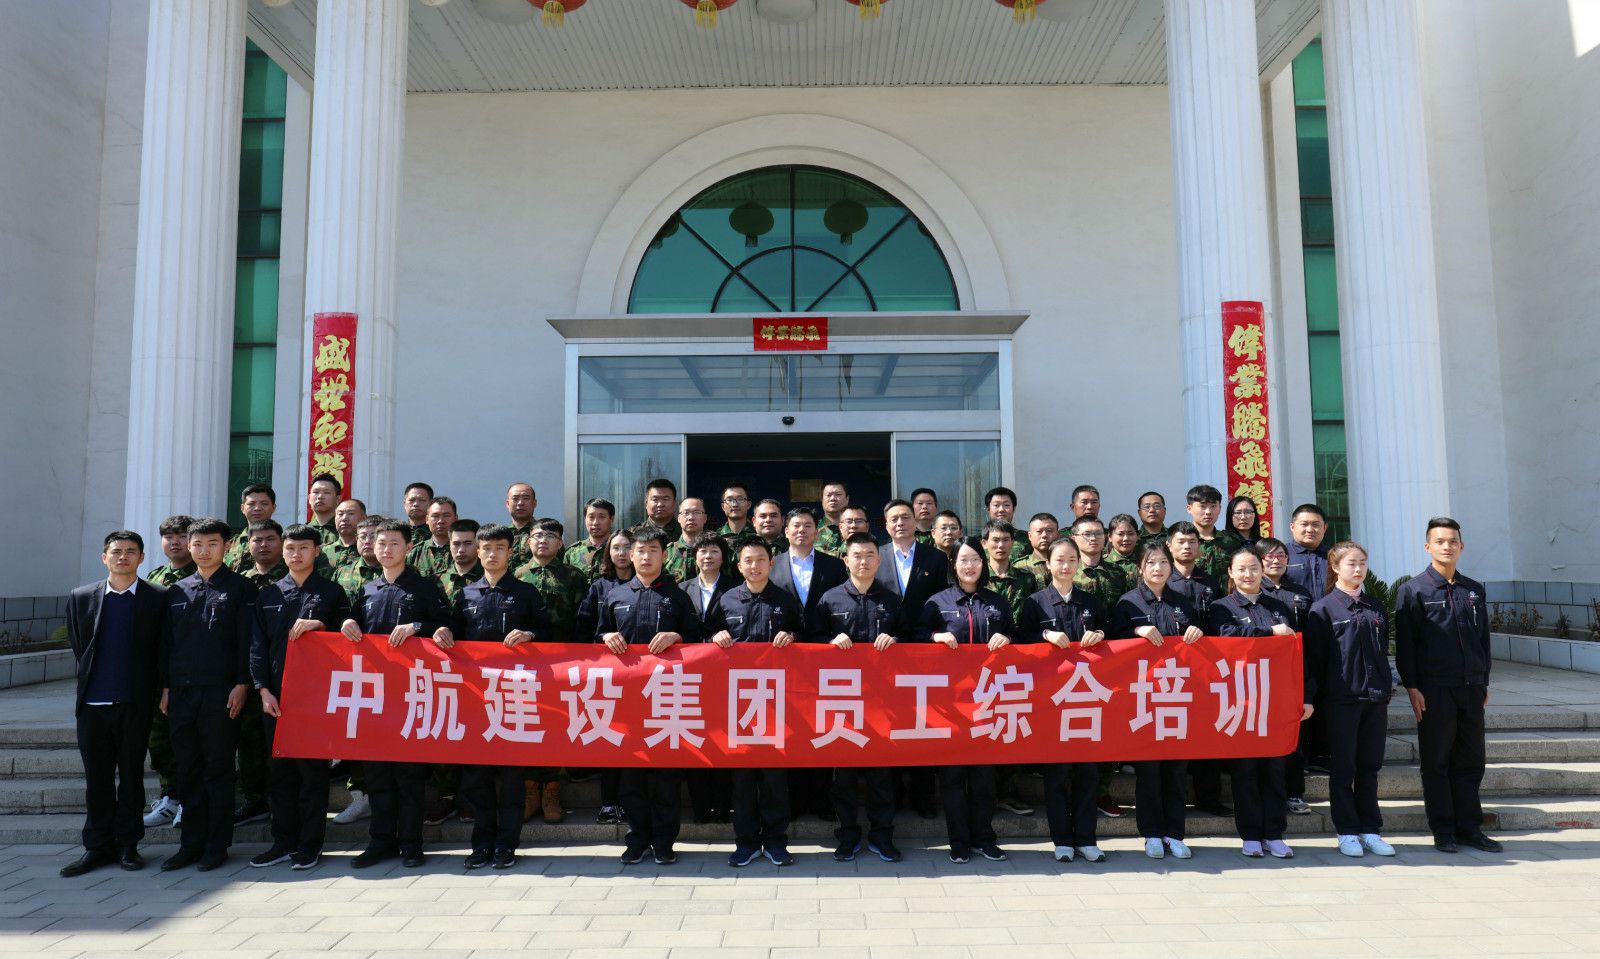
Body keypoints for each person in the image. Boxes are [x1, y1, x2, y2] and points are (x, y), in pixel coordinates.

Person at [435, 523, 553, 870]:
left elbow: (551, 634)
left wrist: (530, 634)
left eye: (499, 548)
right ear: (478, 551)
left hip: (515, 697)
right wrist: (441, 632)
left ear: (510, 552)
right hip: (476, 699)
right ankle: (482, 843)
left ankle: (506, 845)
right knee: (477, 778)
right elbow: (452, 634)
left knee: (512, 778)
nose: (491, 554)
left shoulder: (526, 593)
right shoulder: (465, 595)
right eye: (486, 548)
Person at [339, 519, 452, 869]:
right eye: (380, 543)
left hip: (412, 694)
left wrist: (418, 627)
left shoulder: (424, 588)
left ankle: (411, 844)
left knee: (409, 775)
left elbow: (448, 626)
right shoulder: (367, 589)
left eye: (393, 543)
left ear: (408, 548)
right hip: (374, 695)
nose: (385, 549)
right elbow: (351, 626)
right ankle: (381, 841)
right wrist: (346, 623)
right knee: (377, 775)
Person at [60, 531, 167, 878]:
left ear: (142, 557)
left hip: (134, 704)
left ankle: (128, 845)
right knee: (97, 780)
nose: (123, 557)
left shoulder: (157, 598)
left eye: (131, 551)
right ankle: (97, 847)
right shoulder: (81, 597)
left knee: (132, 777)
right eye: (116, 551)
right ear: (104, 557)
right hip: (92, 704)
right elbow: (81, 645)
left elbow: (162, 649)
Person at [1395, 517, 1501, 854]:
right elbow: (1407, 645)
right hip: (1434, 689)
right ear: (1428, 546)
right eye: (1440, 541)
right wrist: (1412, 687)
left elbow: (1483, 639)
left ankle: (1469, 828)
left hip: (1470, 687)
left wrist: (1483, 680)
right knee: (1437, 760)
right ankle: (1443, 830)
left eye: (1453, 541)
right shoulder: (1413, 590)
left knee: (1471, 760)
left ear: (1461, 546)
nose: (1447, 546)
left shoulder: (1474, 590)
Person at [247, 523, 349, 871]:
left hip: (317, 698)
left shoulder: (332, 593)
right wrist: (262, 689)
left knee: (312, 774)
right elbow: (257, 647)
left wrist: (322, 626)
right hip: (276, 698)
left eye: (304, 548)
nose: (296, 554)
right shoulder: (269, 594)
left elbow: (351, 640)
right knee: (279, 774)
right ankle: (283, 842)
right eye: (290, 548)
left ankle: (309, 845)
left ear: (317, 551)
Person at [598, 526, 702, 866]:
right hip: (626, 699)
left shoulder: (677, 596)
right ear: (630, 555)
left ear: (664, 555)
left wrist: (677, 636)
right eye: (640, 551)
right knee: (631, 777)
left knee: (667, 777)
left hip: (667, 697)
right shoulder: (615, 595)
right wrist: (606, 636)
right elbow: (593, 636)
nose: (646, 557)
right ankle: (638, 838)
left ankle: (664, 841)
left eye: (653, 550)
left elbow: (699, 640)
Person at [159, 517, 257, 872]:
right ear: (189, 546)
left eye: (212, 544)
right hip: (181, 693)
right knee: (188, 768)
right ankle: (190, 844)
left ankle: (217, 845)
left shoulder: (241, 588)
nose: (203, 551)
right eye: (197, 544)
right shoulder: (176, 590)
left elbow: (248, 641)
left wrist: (242, 684)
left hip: (222, 692)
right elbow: (166, 644)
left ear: (227, 546)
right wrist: (166, 688)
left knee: (218, 769)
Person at [707, 539, 806, 867]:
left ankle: (776, 842)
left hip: (779, 704)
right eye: (748, 560)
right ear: (739, 566)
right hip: (739, 705)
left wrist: (792, 637)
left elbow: (805, 636)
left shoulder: (785, 599)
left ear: (771, 564)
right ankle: (746, 842)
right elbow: (703, 639)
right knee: (744, 780)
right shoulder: (726, 600)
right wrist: (715, 637)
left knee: (775, 780)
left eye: (760, 559)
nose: (754, 566)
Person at [1208, 545, 1307, 859]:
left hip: (1274, 700)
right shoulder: (1221, 607)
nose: (1248, 574)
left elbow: (1295, 653)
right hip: (1240, 701)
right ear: (1231, 572)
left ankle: (1275, 833)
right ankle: (1250, 834)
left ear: (1262, 571)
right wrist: (1268, 632)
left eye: (1254, 568)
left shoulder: (1279, 606)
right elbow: (1227, 636)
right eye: (1241, 569)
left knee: (1275, 769)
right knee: (1245, 771)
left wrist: (1304, 696)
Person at [810, 532, 904, 863]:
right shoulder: (830, 599)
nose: (863, 562)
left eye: (869, 555)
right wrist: (829, 641)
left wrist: (895, 641)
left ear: (879, 560)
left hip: (881, 703)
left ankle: (882, 836)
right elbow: (811, 638)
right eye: (857, 556)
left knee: (881, 777)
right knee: (844, 778)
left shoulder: (892, 599)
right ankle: (847, 836)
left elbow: (911, 639)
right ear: (845, 561)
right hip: (841, 702)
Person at [918, 540, 1013, 864]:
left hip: (988, 700)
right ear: (953, 565)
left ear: (983, 564)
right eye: (963, 560)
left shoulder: (997, 601)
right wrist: (934, 637)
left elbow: (1019, 636)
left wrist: (1007, 638)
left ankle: (985, 839)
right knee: (953, 778)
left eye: (975, 559)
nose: (969, 566)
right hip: (950, 705)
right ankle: (958, 842)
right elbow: (915, 635)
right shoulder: (937, 602)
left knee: (984, 778)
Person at [1016, 536, 1108, 863]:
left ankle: (1086, 838)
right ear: (1048, 564)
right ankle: (1062, 840)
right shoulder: (1035, 603)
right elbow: (1021, 642)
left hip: (1086, 700)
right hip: (1051, 701)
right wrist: (1044, 635)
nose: (1066, 566)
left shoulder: (1091, 602)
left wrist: (1100, 635)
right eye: (1059, 560)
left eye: (1071, 560)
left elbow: (1112, 639)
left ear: (1078, 563)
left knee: (1088, 773)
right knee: (1056, 775)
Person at [1114, 541, 1204, 860]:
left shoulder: (1184, 602)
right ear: (1140, 567)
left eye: (1163, 562)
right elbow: (1112, 645)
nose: (1158, 568)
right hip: (1143, 698)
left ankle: (1175, 833)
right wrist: (1136, 632)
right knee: (1149, 771)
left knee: (1176, 770)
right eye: (1151, 562)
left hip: (1177, 696)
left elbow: (1203, 639)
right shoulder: (1128, 602)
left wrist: (1197, 632)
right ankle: (1151, 833)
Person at [1304, 540, 1395, 858]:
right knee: (1344, 768)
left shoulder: (1375, 607)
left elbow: (1381, 651)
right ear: (1335, 567)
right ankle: (1346, 831)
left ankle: (1370, 829)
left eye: (1362, 563)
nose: (1358, 569)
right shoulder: (1323, 609)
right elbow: (1314, 660)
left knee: (1369, 766)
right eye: (1351, 564)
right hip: (1341, 700)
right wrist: (1311, 697)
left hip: (1375, 697)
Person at [768, 507, 847, 822]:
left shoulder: (834, 566)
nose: (801, 530)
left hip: (823, 655)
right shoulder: (772, 565)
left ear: (817, 531)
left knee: (823, 727)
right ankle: (795, 800)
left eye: (808, 526)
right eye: (796, 525)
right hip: (783, 657)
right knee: (790, 728)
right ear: (786, 531)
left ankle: (821, 799)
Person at [678, 533, 736, 825]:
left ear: (723, 557)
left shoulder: (736, 588)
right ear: (695, 557)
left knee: (723, 740)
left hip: (724, 677)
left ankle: (723, 808)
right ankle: (700, 809)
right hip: (690, 677)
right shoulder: (681, 589)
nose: (708, 556)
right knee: (695, 740)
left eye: (714, 551)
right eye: (702, 551)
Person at [142, 515, 194, 831]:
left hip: (190, 670)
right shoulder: (155, 577)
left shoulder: (199, 575)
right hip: (159, 669)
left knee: (187, 741)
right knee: (159, 741)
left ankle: (188, 798)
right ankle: (170, 796)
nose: (175, 542)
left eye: (181, 536)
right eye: (168, 536)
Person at [1259, 536, 1315, 816]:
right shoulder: (1255, 592)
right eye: (1269, 556)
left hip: (1293, 672)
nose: (1276, 560)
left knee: (1294, 738)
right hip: (1259, 676)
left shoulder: (1300, 592)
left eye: (1281, 555)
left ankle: (1294, 793)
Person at [1185, 484, 1243, 586]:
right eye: (1202, 506)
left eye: (1213, 506)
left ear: (1219, 508)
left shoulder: (1232, 541)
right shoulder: (1181, 542)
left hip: (1226, 595)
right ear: (1189, 509)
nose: (1208, 512)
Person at [980, 520, 1036, 622]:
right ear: (984, 543)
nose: (1001, 545)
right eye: (995, 540)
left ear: (1012, 543)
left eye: (1006, 540)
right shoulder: (978, 578)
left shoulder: (1026, 579)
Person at [1068, 515, 1127, 610]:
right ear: (1074, 539)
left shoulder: (1117, 572)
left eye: (1098, 533)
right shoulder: (1068, 572)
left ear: (1105, 537)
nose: (1093, 538)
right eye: (1087, 534)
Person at [223, 484, 276, 570]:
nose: (257, 508)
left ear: (274, 507)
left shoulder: (285, 543)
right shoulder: (230, 545)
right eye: (251, 504)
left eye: (264, 504)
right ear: (242, 508)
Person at [1285, 504, 1332, 598]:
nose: (1310, 530)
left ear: (1325, 527)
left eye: (1315, 524)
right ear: (1292, 527)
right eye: (1304, 524)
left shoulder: (1334, 556)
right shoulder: (1282, 555)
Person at [563, 497, 615, 581]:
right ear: (585, 519)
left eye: (601, 517)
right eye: (591, 517)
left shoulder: (619, 549)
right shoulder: (572, 552)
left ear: (611, 519)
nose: (595, 522)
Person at [406, 496, 458, 578]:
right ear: (427, 519)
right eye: (435, 516)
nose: (441, 521)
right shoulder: (415, 553)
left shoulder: (464, 551)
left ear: (456, 519)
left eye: (446, 515)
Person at [663, 497, 712, 583]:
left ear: (705, 518)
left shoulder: (715, 551)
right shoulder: (667, 552)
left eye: (696, 512)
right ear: (679, 518)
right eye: (686, 513)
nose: (691, 517)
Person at [436, 518, 484, 605]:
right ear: (449, 544)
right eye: (456, 544)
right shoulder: (435, 581)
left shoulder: (489, 579)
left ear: (478, 545)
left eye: (467, 543)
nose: (461, 550)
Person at [984, 486, 1031, 564]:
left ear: (1014, 509)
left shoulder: (1027, 539)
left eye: (1006, 505)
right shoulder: (977, 542)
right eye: (996, 505)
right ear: (988, 509)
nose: (1001, 509)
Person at [1014, 512, 1059, 590]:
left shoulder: (1070, 563)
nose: (1044, 535)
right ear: (1030, 536)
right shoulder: (1019, 566)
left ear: (1058, 535)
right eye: (1039, 531)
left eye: (1049, 531)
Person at [321, 498, 367, 571]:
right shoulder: (323, 552)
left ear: (364, 518)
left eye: (351, 513)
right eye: (340, 514)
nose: (344, 518)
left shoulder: (369, 550)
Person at [504, 482, 538, 566]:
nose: (520, 503)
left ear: (534, 503)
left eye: (526, 498)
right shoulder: (501, 535)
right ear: (507, 504)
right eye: (515, 498)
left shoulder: (546, 534)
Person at [1103, 512, 1141, 584]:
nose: (1126, 538)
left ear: (1137, 536)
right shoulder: (1103, 564)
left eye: (1130, 534)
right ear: (1110, 537)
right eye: (1120, 534)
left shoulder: (1145, 562)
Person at [815, 481, 851, 555]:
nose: (833, 498)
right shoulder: (812, 529)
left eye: (838, 494)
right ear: (822, 499)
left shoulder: (855, 528)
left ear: (847, 499)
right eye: (828, 495)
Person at [306, 473, 342, 545]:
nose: (320, 496)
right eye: (316, 492)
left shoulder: (346, 530)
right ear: (309, 498)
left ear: (338, 499)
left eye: (326, 492)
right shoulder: (304, 532)